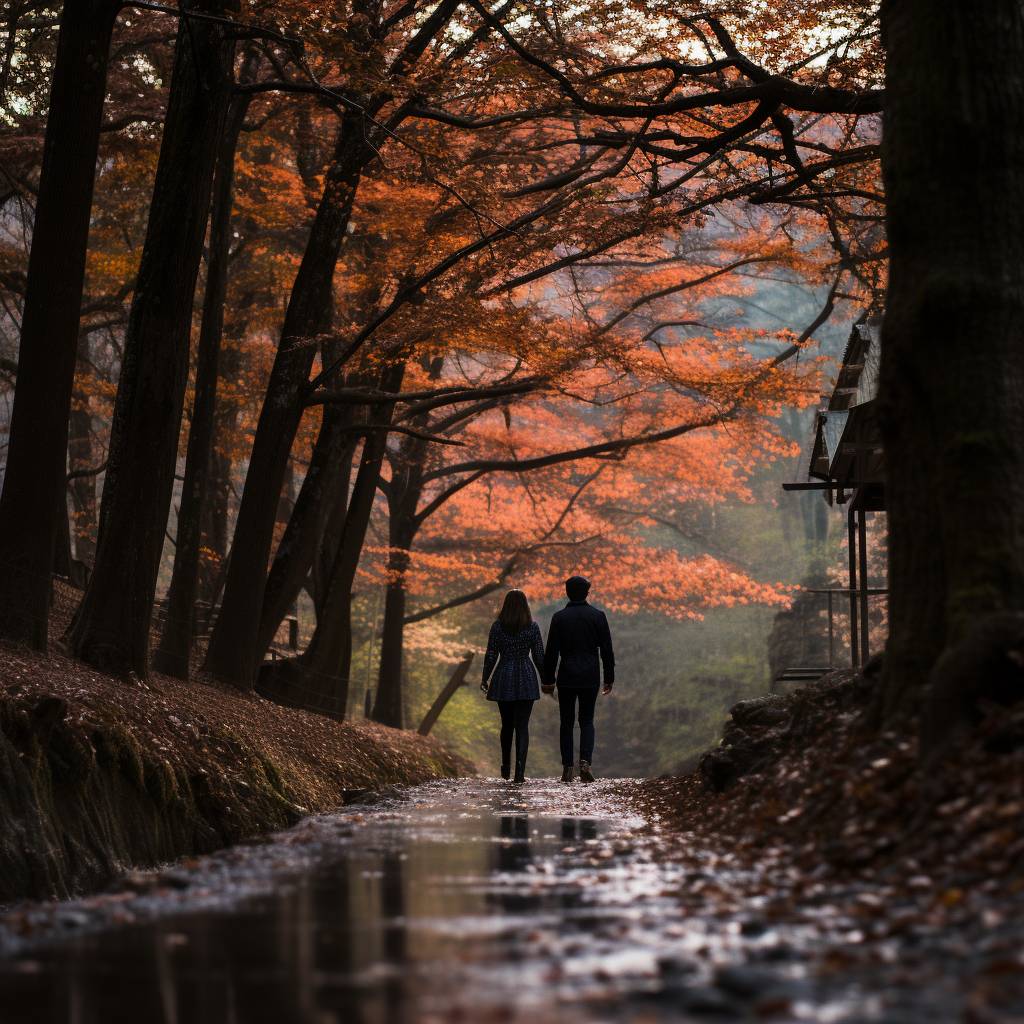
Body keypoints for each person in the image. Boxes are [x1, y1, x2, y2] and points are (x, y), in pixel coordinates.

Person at [543, 575, 615, 783]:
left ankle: (567, 767)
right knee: (586, 720)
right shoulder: (598, 616)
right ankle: (585, 763)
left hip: (566, 674)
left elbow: (552, 652)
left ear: (567, 592)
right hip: (590, 675)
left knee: (566, 721)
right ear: (587, 593)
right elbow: (607, 650)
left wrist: (548, 679)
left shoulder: (559, 618)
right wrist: (609, 677)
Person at [480, 589, 545, 783]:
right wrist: (546, 679)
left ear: (506, 605)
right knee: (522, 726)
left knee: (507, 724)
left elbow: (491, 654)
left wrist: (485, 677)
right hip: (526, 674)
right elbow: (539, 656)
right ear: (525, 605)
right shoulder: (532, 627)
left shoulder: (498, 627)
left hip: (504, 675)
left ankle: (505, 766)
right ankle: (519, 772)